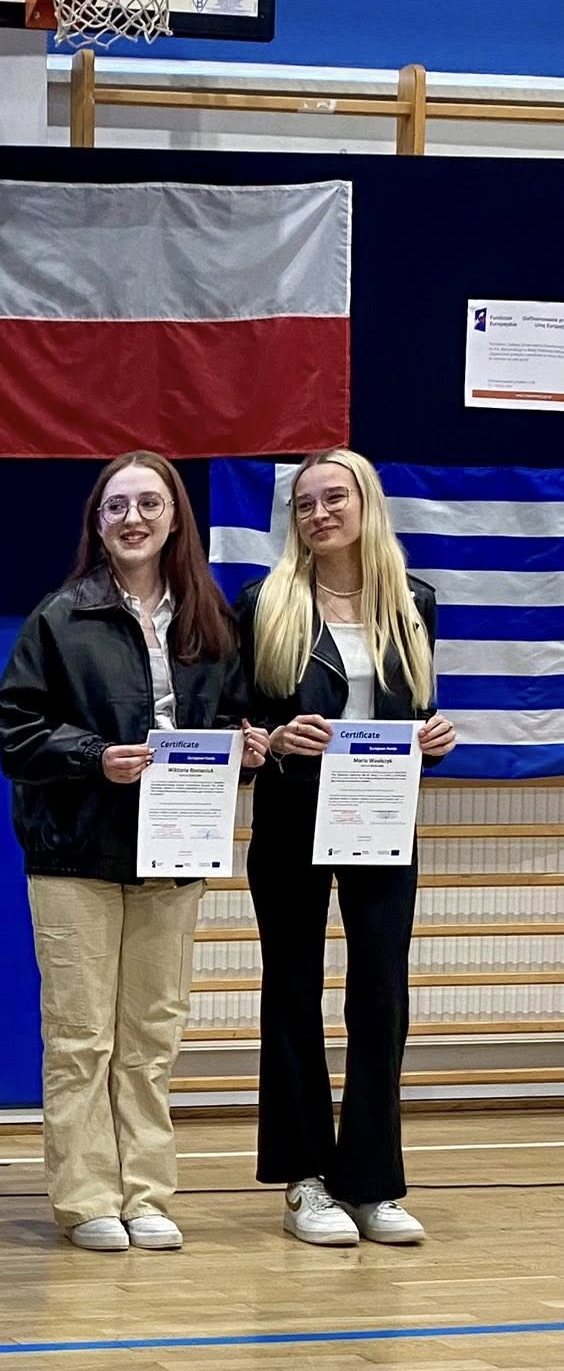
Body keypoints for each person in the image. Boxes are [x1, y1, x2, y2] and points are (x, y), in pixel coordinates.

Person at [0, 453, 267, 1253]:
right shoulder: (59, 616)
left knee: (151, 1035)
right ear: (98, 522)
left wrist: (247, 749)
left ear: (175, 517)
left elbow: (233, 717)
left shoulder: (211, 621)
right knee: (81, 1037)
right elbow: (14, 730)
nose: (133, 518)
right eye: (117, 506)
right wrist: (93, 757)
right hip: (76, 853)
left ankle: (147, 1192)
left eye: (149, 503)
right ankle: (86, 1199)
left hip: (174, 855)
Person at [236, 449, 457, 1247]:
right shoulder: (264, 603)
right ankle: (304, 1179)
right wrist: (270, 738)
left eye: (335, 497)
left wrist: (436, 739)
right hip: (293, 816)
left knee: (380, 998)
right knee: (293, 992)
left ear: (367, 504)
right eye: (305, 503)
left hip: (381, 819)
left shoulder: (413, 602)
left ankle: (372, 1182)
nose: (320, 513)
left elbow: (416, 712)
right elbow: (239, 718)